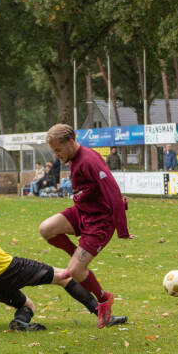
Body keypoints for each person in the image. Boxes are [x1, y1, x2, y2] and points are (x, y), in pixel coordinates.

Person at [0, 177, 126, 331]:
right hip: (7, 268)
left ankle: (20, 322)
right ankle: (102, 313)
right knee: (65, 276)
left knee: (28, 305)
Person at [39, 124, 131, 329]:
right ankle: (77, 259)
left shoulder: (89, 160)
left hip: (100, 222)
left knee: (76, 272)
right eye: (53, 151)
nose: (56, 155)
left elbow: (114, 192)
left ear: (71, 142)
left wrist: (122, 230)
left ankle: (104, 299)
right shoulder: (72, 157)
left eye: (58, 150)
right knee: (46, 229)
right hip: (82, 212)